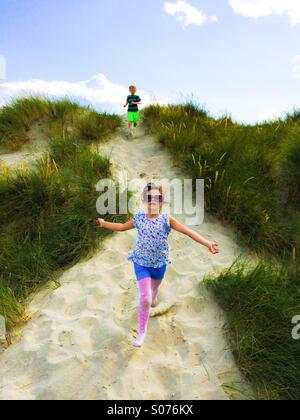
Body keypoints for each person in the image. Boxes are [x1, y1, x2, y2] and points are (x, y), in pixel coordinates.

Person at [96, 183, 219, 348]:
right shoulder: (139, 218)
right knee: (145, 298)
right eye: (149, 198)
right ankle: (142, 332)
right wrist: (104, 223)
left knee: (154, 291)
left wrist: (207, 243)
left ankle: (154, 296)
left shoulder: (166, 220)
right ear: (144, 200)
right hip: (141, 263)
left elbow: (189, 232)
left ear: (162, 202)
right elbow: (121, 227)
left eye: (157, 198)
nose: (153, 201)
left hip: (159, 264)